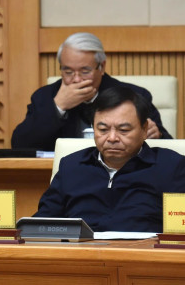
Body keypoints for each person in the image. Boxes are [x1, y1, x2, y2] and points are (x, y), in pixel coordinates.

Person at [35, 86, 185, 232]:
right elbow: (41, 225)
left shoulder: (171, 167)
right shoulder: (71, 166)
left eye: (123, 130)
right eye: (103, 130)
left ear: (144, 129)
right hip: (81, 248)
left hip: (144, 248)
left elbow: (180, 230)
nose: (112, 138)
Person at [12, 32, 170, 151]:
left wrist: (156, 134)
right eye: (68, 72)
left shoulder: (134, 95)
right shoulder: (45, 96)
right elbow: (20, 145)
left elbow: (168, 145)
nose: (76, 79)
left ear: (102, 67)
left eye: (85, 71)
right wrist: (58, 107)